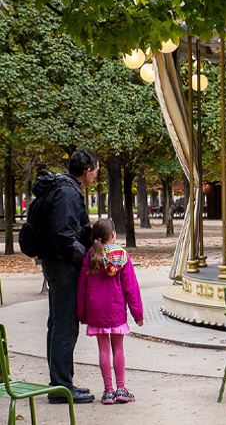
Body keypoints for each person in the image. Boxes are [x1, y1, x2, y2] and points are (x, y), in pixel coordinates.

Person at [36, 149, 99, 404]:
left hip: (54, 262)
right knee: (64, 325)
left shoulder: (63, 187)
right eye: (96, 170)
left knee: (57, 322)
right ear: (87, 170)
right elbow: (64, 234)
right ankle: (61, 386)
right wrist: (86, 257)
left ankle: (59, 383)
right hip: (63, 265)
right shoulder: (68, 193)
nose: (96, 175)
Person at [77, 218, 144, 405]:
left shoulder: (90, 256)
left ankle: (108, 391)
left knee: (103, 349)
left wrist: (82, 313)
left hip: (96, 311)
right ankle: (121, 389)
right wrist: (138, 314)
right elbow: (130, 287)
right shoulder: (122, 256)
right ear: (113, 234)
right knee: (118, 348)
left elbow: (82, 286)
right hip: (116, 309)